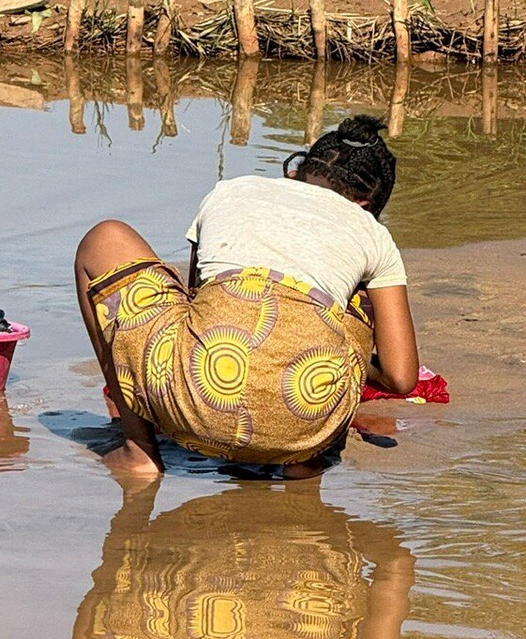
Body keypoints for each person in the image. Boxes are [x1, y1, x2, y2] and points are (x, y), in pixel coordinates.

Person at [75, 115, 420, 476]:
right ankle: (303, 461)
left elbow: (198, 300)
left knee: (103, 239)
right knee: (349, 299)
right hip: (306, 424)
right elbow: (401, 377)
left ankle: (140, 452)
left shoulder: (230, 191)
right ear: (366, 204)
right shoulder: (372, 233)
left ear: (294, 172)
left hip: (191, 402)